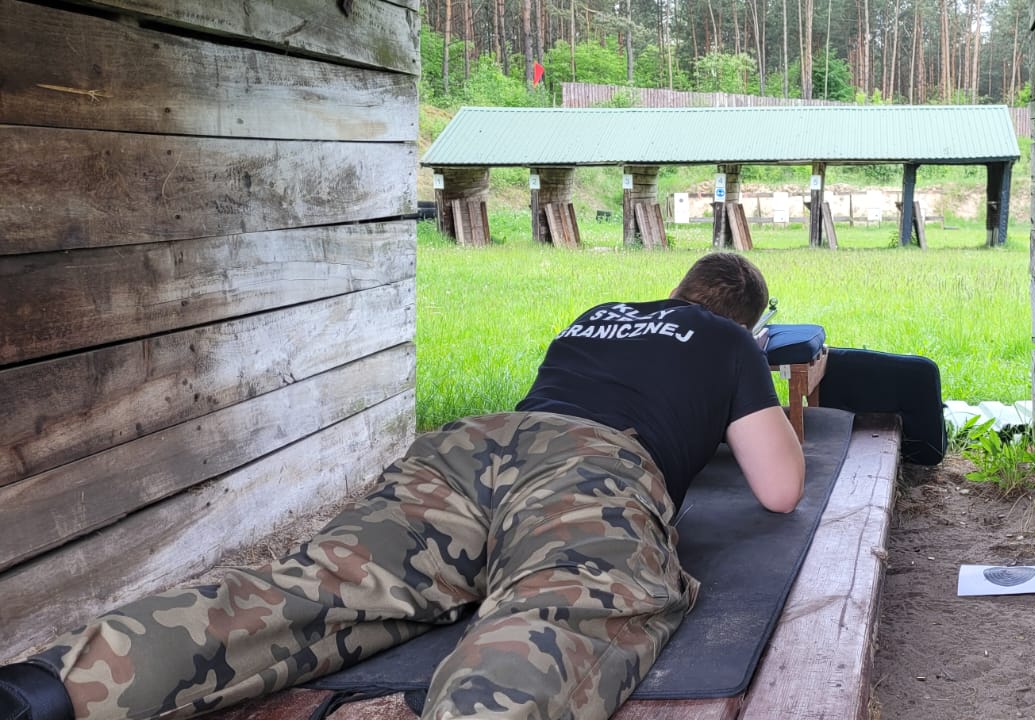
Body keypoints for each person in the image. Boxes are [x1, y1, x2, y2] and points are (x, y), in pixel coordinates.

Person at [0, 252, 805, 720]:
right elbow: (778, 489)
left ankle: (53, 687)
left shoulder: (597, 312)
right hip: (589, 464)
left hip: (468, 447)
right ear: (749, 317)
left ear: (677, 288)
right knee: (565, 606)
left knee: (318, 584)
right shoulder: (731, 341)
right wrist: (764, 380)